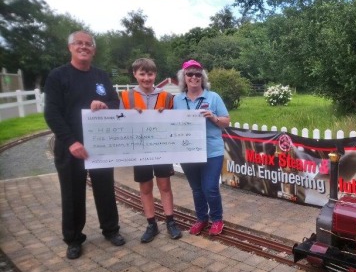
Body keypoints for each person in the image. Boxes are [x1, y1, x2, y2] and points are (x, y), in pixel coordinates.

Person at [44, 31, 125, 260]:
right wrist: (71, 142)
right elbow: (52, 113)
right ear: (70, 47)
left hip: (99, 144)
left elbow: (115, 101)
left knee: (105, 189)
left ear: (94, 50)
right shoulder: (58, 76)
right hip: (71, 146)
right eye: (79, 43)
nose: (84, 47)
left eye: (88, 44)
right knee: (72, 194)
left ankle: (111, 230)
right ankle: (73, 239)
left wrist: (105, 104)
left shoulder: (100, 76)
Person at [119, 58, 182, 242]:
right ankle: (151, 224)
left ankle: (170, 221)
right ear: (135, 74)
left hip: (161, 147)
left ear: (155, 74)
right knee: (145, 187)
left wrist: (167, 115)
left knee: (165, 185)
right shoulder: (126, 96)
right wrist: (131, 116)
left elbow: (176, 122)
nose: (146, 78)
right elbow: (120, 123)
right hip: (140, 149)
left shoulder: (166, 97)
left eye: (150, 74)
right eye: (142, 74)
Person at [173, 60, 230, 236]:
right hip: (188, 151)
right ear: (184, 77)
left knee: (210, 188)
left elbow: (226, 122)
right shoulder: (177, 100)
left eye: (198, 74)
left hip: (211, 151)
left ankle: (217, 219)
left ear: (202, 77)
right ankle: (201, 219)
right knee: (197, 189)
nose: (194, 77)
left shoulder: (213, 97)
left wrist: (213, 117)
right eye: (190, 74)